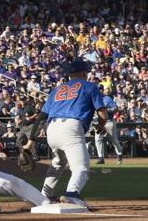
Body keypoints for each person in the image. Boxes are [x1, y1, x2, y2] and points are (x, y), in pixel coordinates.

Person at [41, 58, 108, 210]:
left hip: (51, 128)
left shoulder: (57, 89)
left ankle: (45, 195)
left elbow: (42, 115)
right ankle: (72, 193)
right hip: (71, 127)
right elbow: (103, 114)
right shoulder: (90, 86)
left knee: (58, 163)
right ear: (84, 73)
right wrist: (101, 126)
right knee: (81, 167)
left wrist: (31, 139)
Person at [94, 94, 125, 165]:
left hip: (109, 121)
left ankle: (119, 154)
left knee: (113, 140)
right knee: (98, 139)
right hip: (98, 122)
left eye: (100, 89)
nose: (99, 91)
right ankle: (101, 158)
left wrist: (105, 110)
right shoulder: (93, 99)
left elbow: (115, 108)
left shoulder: (107, 98)